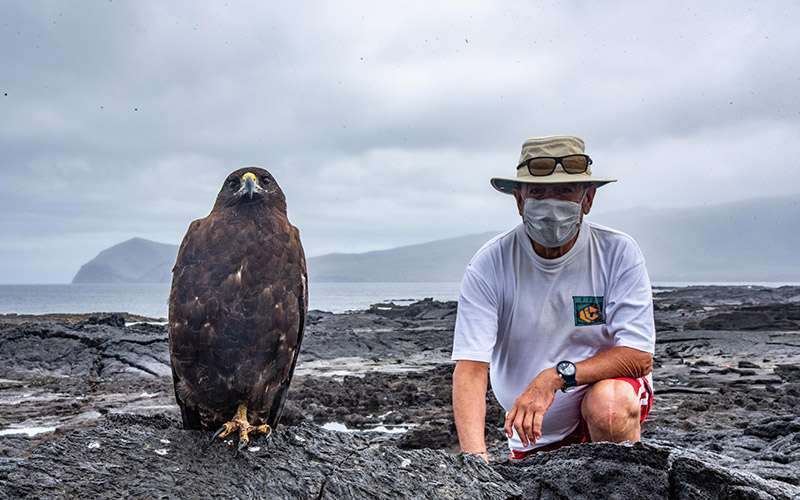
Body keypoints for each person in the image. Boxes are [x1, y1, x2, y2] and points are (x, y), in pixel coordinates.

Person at [451, 135, 655, 462]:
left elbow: (639, 356)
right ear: (519, 200)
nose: (551, 203)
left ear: (587, 199)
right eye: (538, 192)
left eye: (564, 191)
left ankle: (623, 475)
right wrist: (475, 462)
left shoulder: (617, 252)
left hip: (603, 403)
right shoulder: (490, 263)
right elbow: (471, 368)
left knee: (610, 407)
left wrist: (555, 377)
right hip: (531, 432)